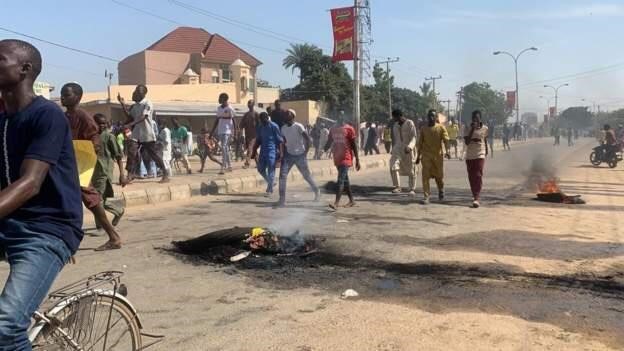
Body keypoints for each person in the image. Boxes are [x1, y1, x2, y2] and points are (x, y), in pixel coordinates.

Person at [0, 40, 84, 349]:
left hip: (46, 230)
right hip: (9, 222)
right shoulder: (3, 120)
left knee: (5, 328)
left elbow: (30, 183)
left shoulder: (46, 115)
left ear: (24, 69)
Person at [61, 82, 123, 251]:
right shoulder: (64, 117)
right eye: (62, 94)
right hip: (66, 164)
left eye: (67, 95)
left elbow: (94, 141)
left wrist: (82, 156)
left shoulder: (83, 116)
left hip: (79, 164)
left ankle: (113, 236)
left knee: (90, 198)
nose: (62, 97)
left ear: (78, 97)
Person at [117, 85, 169, 183]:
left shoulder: (147, 103)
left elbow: (143, 117)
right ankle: (130, 174)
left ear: (143, 94)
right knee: (132, 152)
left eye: (138, 92)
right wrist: (123, 104)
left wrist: (130, 124)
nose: (135, 93)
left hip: (147, 133)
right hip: (137, 133)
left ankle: (165, 172)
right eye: (135, 91)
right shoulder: (135, 105)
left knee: (154, 154)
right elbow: (130, 116)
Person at [277, 109, 320, 206]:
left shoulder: (298, 126)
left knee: (306, 176)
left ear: (293, 116)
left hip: (300, 155)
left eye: (288, 113)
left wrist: (305, 153)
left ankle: (317, 191)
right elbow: (283, 142)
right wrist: (281, 154)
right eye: (285, 114)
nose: (285, 115)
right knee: (282, 176)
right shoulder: (283, 128)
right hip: (288, 155)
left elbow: (308, 140)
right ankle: (282, 199)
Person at [92, 113, 127, 225]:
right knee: (101, 199)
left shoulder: (109, 137)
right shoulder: (91, 136)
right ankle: (118, 210)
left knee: (96, 199)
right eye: (99, 123)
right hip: (93, 173)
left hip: (104, 172)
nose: (102, 126)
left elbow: (118, 156)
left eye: (104, 123)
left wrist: (122, 174)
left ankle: (100, 226)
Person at [325, 117, 361, 210]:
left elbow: (353, 144)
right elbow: (329, 141)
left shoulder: (349, 129)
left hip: (346, 157)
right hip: (337, 157)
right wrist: (324, 148)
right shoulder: (333, 129)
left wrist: (357, 159)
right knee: (345, 181)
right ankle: (352, 201)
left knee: (340, 180)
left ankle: (336, 203)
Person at [416, 109, 450, 204]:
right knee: (425, 176)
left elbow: (446, 140)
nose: (431, 118)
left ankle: (441, 189)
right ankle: (426, 196)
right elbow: (420, 143)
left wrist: (447, 151)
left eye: (433, 116)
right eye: (429, 116)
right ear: (427, 117)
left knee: (439, 177)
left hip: (437, 156)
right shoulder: (423, 129)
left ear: (436, 118)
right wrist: (418, 156)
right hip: (426, 156)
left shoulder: (441, 127)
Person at [252, 112, 283, 196]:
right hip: (263, 151)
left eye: (263, 120)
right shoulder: (260, 127)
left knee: (271, 170)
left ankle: (270, 189)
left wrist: (281, 153)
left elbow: (280, 141)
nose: (262, 121)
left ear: (266, 118)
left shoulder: (274, 126)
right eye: (260, 120)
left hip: (271, 151)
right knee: (260, 169)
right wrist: (254, 151)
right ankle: (271, 182)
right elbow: (258, 140)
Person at [389, 109, 418, 195]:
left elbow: (414, 137)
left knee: (411, 169)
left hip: (408, 148)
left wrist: (410, 147)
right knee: (393, 165)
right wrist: (393, 148)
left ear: (399, 116)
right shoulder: (395, 125)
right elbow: (395, 138)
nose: (393, 119)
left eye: (394, 117)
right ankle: (397, 187)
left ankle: (412, 188)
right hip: (397, 148)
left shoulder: (410, 123)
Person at [464, 110, 489, 208]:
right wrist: (472, 129)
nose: (476, 120)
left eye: (477, 118)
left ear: (480, 118)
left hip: (480, 153)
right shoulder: (467, 128)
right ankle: (474, 193)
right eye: (474, 118)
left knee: (478, 174)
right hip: (470, 155)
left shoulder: (485, 128)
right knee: (471, 176)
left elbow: (485, 138)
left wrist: (486, 149)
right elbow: (467, 142)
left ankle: (476, 197)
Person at [211, 93, 236, 174]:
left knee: (224, 147)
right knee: (225, 149)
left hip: (227, 131)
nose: (219, 99)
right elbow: (216, 120)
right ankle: (230, 166)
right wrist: (211, 132)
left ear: (225, 99)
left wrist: (235, 133)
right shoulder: (219, 108)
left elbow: (234, 121)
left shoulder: (230, 108)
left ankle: (223, 166)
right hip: (220, 131)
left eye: (220, 98)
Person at [240, 99, 258, 169]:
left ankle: (247, 163)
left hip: (254, 135)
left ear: (253, 104)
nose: (248, 104)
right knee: (253, 150)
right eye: (248, 103)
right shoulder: (246, 114)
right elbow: (242, 124)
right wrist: (240, 131)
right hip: (248, 135)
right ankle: (259, 163)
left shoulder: (256, 114)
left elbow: (259, 124)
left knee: (250, 149)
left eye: (250, 103)